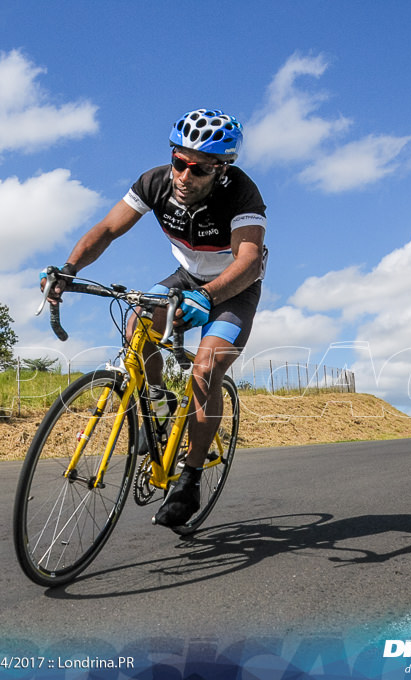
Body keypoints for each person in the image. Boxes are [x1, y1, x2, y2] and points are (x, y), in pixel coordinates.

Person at [45, 108, 267, 528]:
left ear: (220, 170)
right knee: (137, 326)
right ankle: (161, 402)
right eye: (178, 162)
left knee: (206, 371)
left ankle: (191, 477)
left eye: (197, 169)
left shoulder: (241, 193)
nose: (184, 176)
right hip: (185, 277)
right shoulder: (155, 182)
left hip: (234, 286)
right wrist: (69, 269)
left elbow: (250, 261)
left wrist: (207, 296)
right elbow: (108, 229)